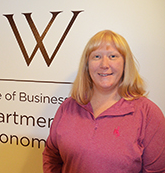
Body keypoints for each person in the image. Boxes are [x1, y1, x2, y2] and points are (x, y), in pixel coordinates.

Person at [42, 30, 165, 172]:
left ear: (125, 64)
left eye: (113, 56)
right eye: (96, 56)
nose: (104, 64)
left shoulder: (148, 114)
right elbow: (51, 155)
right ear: (87, 65)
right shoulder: (68, 106)